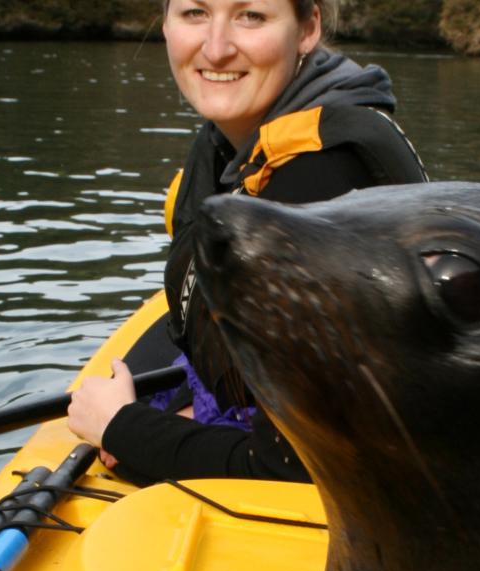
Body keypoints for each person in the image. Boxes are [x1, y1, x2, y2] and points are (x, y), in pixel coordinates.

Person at [67, 0, 428, 484]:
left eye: (250, 16)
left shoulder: (323, 183)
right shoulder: (239, 142)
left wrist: (124, 430)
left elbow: (301, 468)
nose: (215, 49)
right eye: (195, 13)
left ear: (307, 29)